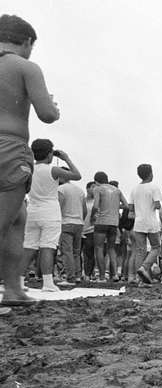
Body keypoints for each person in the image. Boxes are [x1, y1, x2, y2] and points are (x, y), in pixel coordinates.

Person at [0, 15, 60, 310]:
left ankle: (13, 289)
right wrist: (54, 106)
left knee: (18, 219)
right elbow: (46, 113)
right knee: (4, 219)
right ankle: (10, 290)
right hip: (9, 147)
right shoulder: (24, 66)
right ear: (26, 42)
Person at [19, 139, 80, 292]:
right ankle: (47, 283)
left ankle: (18, 281)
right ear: (49, 154)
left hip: (32, 211)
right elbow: (77, 175)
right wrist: (66, 158)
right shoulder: (53, 170)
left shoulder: (28, 169)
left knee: (28, 247)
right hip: (50, 213)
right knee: (48, 247)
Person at [128, 164, 162, 284]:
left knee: (140, 250)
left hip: (139, 223)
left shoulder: (134, 189)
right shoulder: (153, 188)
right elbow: (157, 205)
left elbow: (130, 207)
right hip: (151, 222)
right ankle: (144, 268)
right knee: (156, 248)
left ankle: (139, 279)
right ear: (151, 174)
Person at [91, 171, 127, 282]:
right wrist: (115, 207)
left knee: (99, 248)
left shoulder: (98, 189)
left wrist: (92, 216)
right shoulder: (117, 190)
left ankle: (102, 276)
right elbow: (126, 205)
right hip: (114, 223)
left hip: (101, 221)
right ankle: (115, 274)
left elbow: (96, 205)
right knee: (111, 248)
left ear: (96, 181)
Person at [58, 165, 87, 285]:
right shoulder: (80, 190)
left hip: (66, 222)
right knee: (76, 252)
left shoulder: (60, 189)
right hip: (79, 223)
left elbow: (58, 207)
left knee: (67, 251)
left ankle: (70, 277)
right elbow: (84, 210)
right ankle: (78, 275)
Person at [81, 182, 96, 281]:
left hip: (91, 230)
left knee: (89, 253)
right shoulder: (82, 200)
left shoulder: (97, 201)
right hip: (80, 229)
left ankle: (88, 274)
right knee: (77, 253)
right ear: (87, 189)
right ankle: (78, 273)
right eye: (93, 187)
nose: (95, 190)